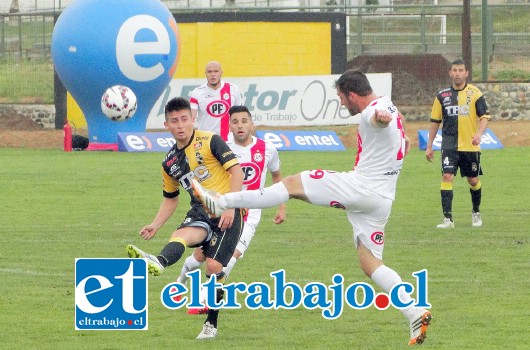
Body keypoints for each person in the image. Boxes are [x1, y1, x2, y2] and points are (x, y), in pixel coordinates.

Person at [191, 70, 432, 346]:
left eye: (342, 98)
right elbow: (395, 122)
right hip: (382, 199)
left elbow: (378, 119)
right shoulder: (387, 102)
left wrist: (381, 121)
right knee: (370, 263)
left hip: (360, 188)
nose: (342, 103)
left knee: (292, 184)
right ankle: (414, 311)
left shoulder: (374, 112)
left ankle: (220, 201)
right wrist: (396, 129)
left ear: (353, 95)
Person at [126, 97, 244, 340]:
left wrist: (231, 205)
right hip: (200, 211)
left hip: (227, 210)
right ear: (166, 124)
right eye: (174, 121)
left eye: (184, 119)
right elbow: (171, 198)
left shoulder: (210, 140)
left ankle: (211, 323)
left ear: (193, 119)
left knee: (213, 267)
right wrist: (155, 224)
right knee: (180, 236)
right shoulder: (169, 161)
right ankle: (158, 261)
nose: (180, 125)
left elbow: (236, 171)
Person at [176, 105, 286, 314]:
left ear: (251, 124)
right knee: (201, 256)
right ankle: (180, 281)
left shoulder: (267, 149)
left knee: (230, 257)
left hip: (250, 213)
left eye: (244, 121)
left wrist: (282, 207)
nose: (240, 126)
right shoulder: (221, 147)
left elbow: (277, 176)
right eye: (235, 122)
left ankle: (203, 300)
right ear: (230, 126)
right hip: (222, 208)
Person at [426, 59, 490, 229]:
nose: (457, 73)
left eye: (460, 70)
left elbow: (484, 118)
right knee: (447, 177)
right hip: (449, 145)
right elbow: (435, 121)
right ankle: (448, 219)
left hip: (470, 146)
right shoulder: (442, 96)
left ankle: (476, 211)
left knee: (473, 180)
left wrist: (478, 134)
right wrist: (429, 145)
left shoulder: (475, 93)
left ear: (466, 73)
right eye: (454, 70)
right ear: (450, 73)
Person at [190, 61, 243, 141]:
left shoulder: (233, 89)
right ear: (205, 73)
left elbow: (240, 114)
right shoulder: (197, 92)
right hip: (206, 140)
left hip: (229, 140)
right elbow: (191, 117)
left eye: (216, 71)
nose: (212, 74)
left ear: (221, 72)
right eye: (209, 72)